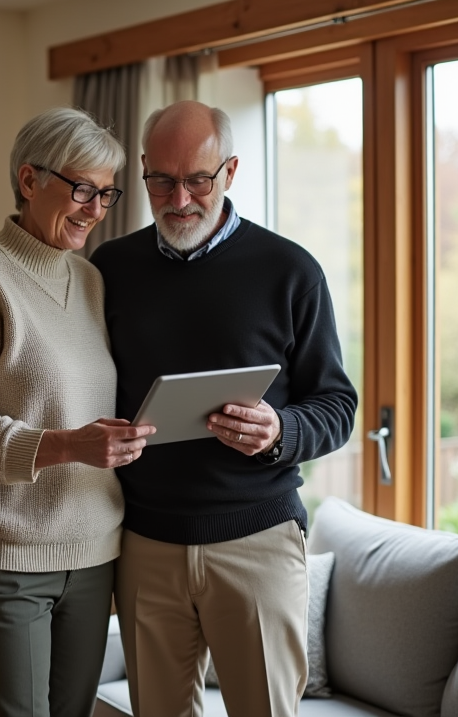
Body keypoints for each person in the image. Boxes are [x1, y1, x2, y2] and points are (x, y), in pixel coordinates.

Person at [90, 100, 358, 717]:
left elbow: (337, 404)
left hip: (257, 542)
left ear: (230, 172)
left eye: (198, 180)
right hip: (144, 543)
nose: (179, 198)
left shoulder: (291, 271)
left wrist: (280, 429)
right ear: (143, 172)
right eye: (161, 179)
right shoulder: (110, 269)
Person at [0, 106, 155, 717]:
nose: (94, 208)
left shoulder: (93, 281)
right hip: (2, 557)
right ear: (29, 180)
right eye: (81, 188)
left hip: (94, 553)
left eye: (107, 194)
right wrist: (68, 446)